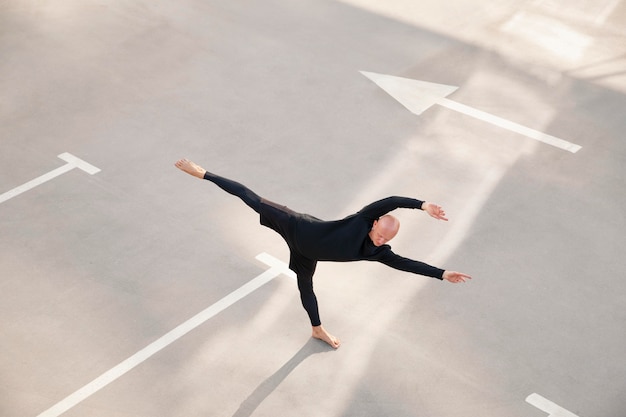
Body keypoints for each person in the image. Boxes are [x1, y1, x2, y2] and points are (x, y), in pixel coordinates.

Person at [175, 159, 471, 349]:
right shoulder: (364, 218)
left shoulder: (378, 252)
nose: (380, 240)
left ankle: (317, 329)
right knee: (250, 198)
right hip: (298, 226)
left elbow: (408, 264)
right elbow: (393, 200)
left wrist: (442, 274)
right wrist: (423, 205)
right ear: (377, 221)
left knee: (307, 288)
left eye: (385, 239)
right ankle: (203, 172)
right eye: (380, 232)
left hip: (306, 253)